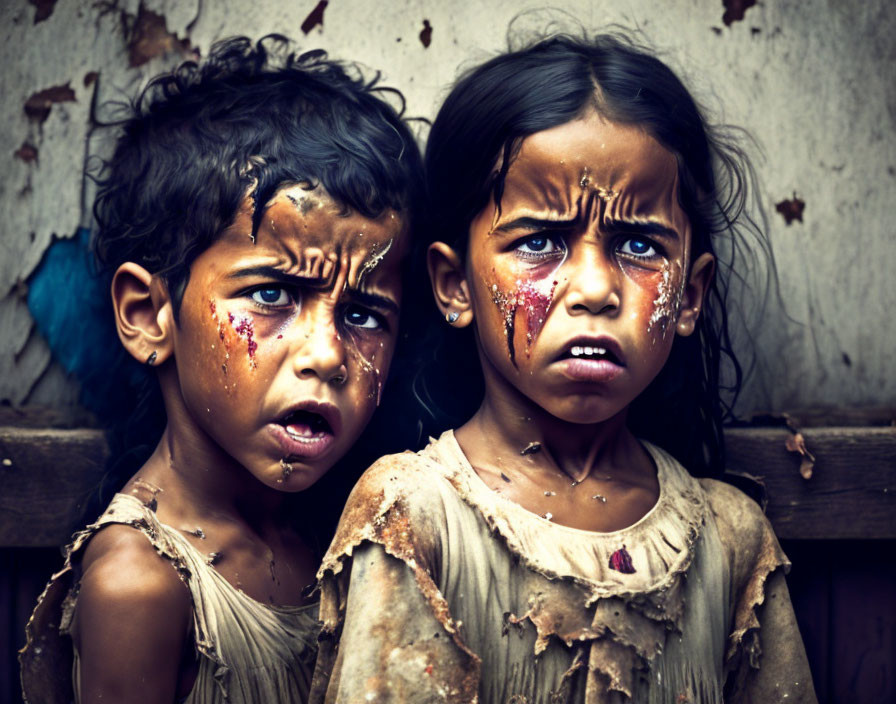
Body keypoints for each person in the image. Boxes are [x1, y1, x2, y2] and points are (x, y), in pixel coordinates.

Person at [310, 34, 817, 703]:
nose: (594, 288)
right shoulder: (415, 515)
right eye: (540, 242)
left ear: (689, 297)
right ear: (454, 284)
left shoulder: (730, 535)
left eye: (638, 244)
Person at [20, 35, 423, 704]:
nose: (326, 356)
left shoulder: (338, 534)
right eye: (272, 294)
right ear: (150, 316)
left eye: (363, 314)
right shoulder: (140, 583)